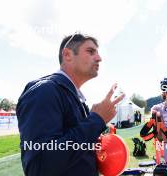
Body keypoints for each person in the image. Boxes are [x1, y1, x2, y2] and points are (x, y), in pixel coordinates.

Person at [16, 33, 125, 176]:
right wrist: (96, 120)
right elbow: (40, 166)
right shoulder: (44, 91)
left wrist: (94, 144)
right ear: (67, 54)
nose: (99, 58)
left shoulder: (73, 96)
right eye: (91, 51)